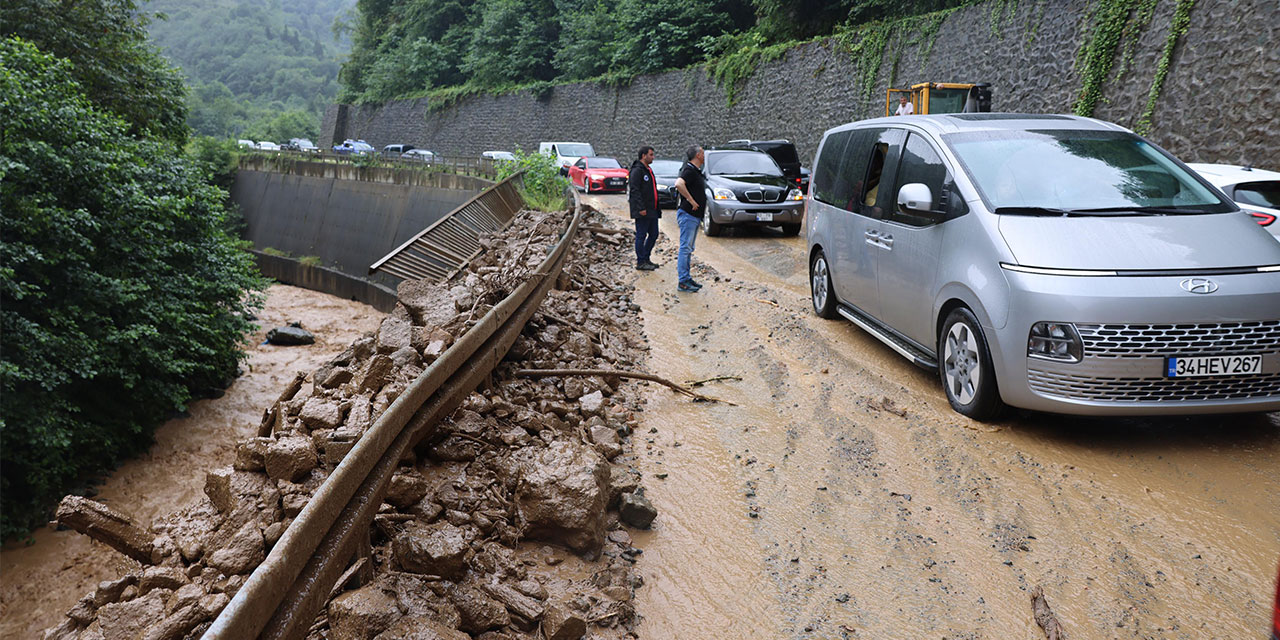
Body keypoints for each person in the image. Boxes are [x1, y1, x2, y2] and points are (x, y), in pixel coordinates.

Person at [672, 145, 706, 292]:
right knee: (685, 249)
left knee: (688, 248)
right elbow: (678, 184)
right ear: (698, 155)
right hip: (688, 215)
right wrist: (691, 200)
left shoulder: (696, 171)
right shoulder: (689, 170)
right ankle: (683, 282)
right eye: (703, 153)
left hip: (694, 216)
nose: (705, 156)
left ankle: (686, 278)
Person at [627, 146, 661, 270]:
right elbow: (635, 190)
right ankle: (640, 261)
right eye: (651, 155)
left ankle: (646, 257)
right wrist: (640, 207)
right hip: (643, 210)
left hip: (652, 209)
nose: (653, 157)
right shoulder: (637, 171)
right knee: (641, 235)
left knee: (654, 234)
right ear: (643, 156)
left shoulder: (648, 170)